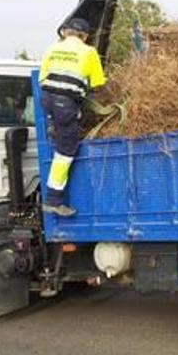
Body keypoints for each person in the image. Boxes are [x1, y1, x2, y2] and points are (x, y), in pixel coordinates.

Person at [39, 17, 107, 217]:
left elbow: (43, 79)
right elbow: (98, 83)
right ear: (84, 36)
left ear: (65, 32)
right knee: (66, 151)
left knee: (61, 123)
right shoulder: (88, 51)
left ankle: (55, 126)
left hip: (47, 101)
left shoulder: (51, 49)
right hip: (65, 104)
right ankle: (53, 200)